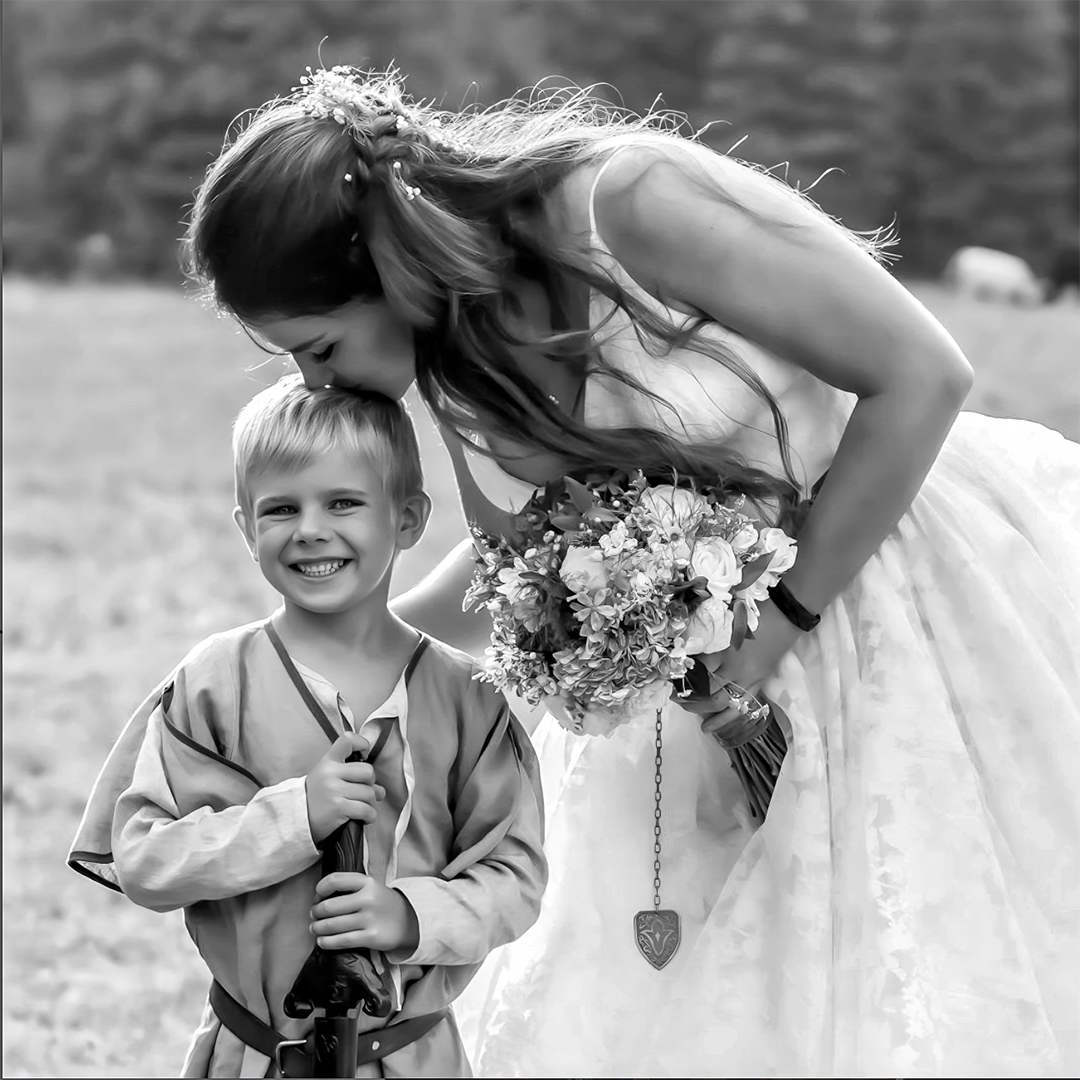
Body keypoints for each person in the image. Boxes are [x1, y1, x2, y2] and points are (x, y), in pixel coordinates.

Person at [182, 66, 1079, 1077]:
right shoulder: (449, 341)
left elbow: (923, 377)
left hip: (894, 589)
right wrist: (353, 662)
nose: (316, 382)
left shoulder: (635, 204)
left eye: (317, 345)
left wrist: (773, 625)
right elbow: (519, 560)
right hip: (697, 701)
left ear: (385, 263)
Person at [68, 375, 546, 1078]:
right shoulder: (213, 682)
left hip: (411, 1060)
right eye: (281, 508)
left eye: (345, 502)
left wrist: (408, 915)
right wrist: (296, 818)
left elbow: (517, 877)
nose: (311, 529)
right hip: (253, 1058)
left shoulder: (468, 699)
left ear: (408, 517)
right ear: (245, 527)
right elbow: (144, 860)